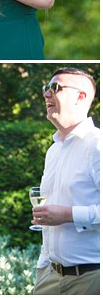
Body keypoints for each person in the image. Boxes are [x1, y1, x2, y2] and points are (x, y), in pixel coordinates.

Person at [32, 67, 99, 295]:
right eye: (46, 89)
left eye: (55, 88)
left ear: (81, 96)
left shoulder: (97, 145)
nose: (46, 94)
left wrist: (69, 215)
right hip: (49, 276)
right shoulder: (53, 150)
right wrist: (42, 267)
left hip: (92, 278)